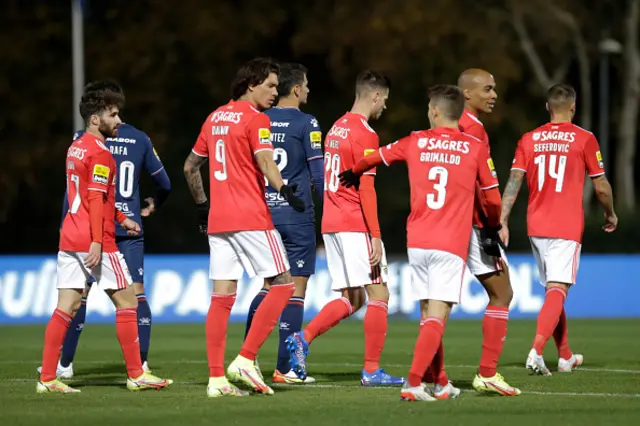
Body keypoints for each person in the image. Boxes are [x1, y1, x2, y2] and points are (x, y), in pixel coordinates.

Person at [338, 84, 505, 401]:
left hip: (417, 241)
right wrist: (493, 225)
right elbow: (493, 197)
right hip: (450, 242)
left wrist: (353, 170)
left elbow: (375, 157)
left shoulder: (415, 141)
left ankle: (440, 382)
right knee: (437, 315)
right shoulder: (474, 146)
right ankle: (414, 383)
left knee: (428, 312)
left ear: (436, 111)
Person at [37, 80, 171, 393]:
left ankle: (47, 378)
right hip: (95, 239)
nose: (119, 121)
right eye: (113, 114)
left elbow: (85, 195)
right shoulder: (100, 153)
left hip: (70, 236)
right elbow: (96, 201)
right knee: (128, 302)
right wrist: (98, 241)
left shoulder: (75, 146)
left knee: (66, 306)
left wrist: (124, 217)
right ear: (96, 119)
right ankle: (137, 374)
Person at [183, 58, 304, 398]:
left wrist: (203, 207)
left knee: (222, 298)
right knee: (283, 284)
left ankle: (216, 379)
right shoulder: (256, 119)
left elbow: (191, 166)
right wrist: (283, 189)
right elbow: (266, 160)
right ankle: (247, 359)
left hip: (219, 221)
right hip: (250, 216)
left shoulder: (214, 117)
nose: (274, 92)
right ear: (251, 85)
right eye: (269, 85)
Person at [286, 70, 405, 387]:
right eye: (385, 101)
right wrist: (376, 235)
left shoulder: (336, 127)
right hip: (354, 222)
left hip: (332, 222)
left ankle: (303, 338)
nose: (385, 108)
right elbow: (366, 188)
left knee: (354, 297)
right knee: (380, 293)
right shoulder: (366, 134)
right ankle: (371, 370)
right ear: (376, 95)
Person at [499, 83, 617, 376]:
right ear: (573, 107)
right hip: (566, 224)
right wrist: (610, 213)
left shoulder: (529, 139)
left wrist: (502, 218)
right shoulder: (584, 139)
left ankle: (564, 355)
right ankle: (536, 351)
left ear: (547, 107)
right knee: (558, 288)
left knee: (553, 288)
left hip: (536, 225)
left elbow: (514, 180)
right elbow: (600, 186)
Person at [242, 63, 324, 384]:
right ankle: (287, 367)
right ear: (296, 89)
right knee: (295, 288)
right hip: (296, 214)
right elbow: (317, 173)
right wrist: (328, 208)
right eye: (306, 85)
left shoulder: (258, 119)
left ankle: (247, 356)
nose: (308, 90)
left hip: (264, 214)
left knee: (268, 286)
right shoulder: (307, 122)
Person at [455, 68, 519, 395]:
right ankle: (487, 373)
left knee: (436, 301)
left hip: (440, 221)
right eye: (488, 89)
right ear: (467, 93)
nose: (493, 95)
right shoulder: (475, 130)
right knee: (502, 292)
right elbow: (486, 187)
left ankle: (427, 374)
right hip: (473, 223)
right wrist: (493, 224)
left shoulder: (445, 126)